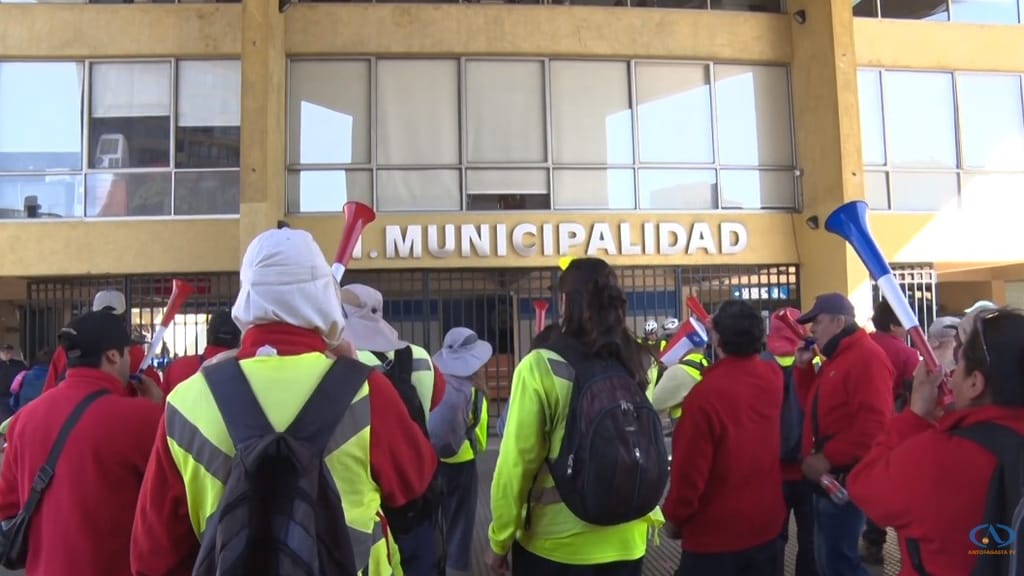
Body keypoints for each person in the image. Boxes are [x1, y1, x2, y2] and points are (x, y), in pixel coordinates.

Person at [130, 227, 438, 575]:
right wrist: (349, 369)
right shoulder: (368, 391)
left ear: (246, 299)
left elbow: (152, 558)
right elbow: (415, 483)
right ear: (323, 296)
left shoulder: (185, 402)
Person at [488, 257, 663, 576]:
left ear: (565, 301)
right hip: (629, 537)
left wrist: (500, 540)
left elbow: (516, 465)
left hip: (555, 545)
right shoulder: (641, 362)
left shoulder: (540, 366)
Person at [847, 307, 1024, 576]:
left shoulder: (941, 457)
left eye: (958, 364)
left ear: (975, 383)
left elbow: (864, 486)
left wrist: (914, 416)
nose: (951, 377)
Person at [0, 311, 164, 576]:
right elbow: (169, 504)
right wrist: (158, 409)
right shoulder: (143, 418)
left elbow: (7, 507)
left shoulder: (24, 419)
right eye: (127, 352)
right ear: (113, 355)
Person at [663, 299, 786, 575]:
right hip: (765, 524)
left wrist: (675, 517)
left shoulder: (704, 397)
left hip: (715, 538)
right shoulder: (772, 377)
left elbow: (689, 473)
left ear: (717, 339)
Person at [340, 282, 446, 576]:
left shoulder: (342, 363)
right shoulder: (421, 357)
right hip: (419, 488)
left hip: (372, 501)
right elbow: (436, 399)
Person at [794, 293, 893, 576]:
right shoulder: (838, 358)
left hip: (844, 478)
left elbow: (875, 426)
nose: (812, 329)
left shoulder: (866, 358)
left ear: (838, 322)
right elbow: (813, 408)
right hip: (827, 480)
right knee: (829, 561)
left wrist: (827, 457)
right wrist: (803, 369)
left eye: (817, 322)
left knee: (839, 564)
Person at [429, 327, 492, 576]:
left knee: (431, 521)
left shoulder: (431, 383)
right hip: (462, 465)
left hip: (430, 462)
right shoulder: (476, 393)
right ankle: (456, 569)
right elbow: (481, 440)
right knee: (460, 524)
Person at [765, 307, 817, 576]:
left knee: (774, 539)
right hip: (809, 467)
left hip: (772, 472)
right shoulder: (815, 363)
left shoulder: (760, 364)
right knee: (811, 540)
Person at [42, 289, 164, 395]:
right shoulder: (133, 354)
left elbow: (48, 392)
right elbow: (156, 393)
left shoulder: (67, 351)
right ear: (124, 319)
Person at [162, 309, 241, 392]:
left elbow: (161, 399)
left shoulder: (177, 367)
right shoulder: (245, 367)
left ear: (208, 334)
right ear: (240, 337)